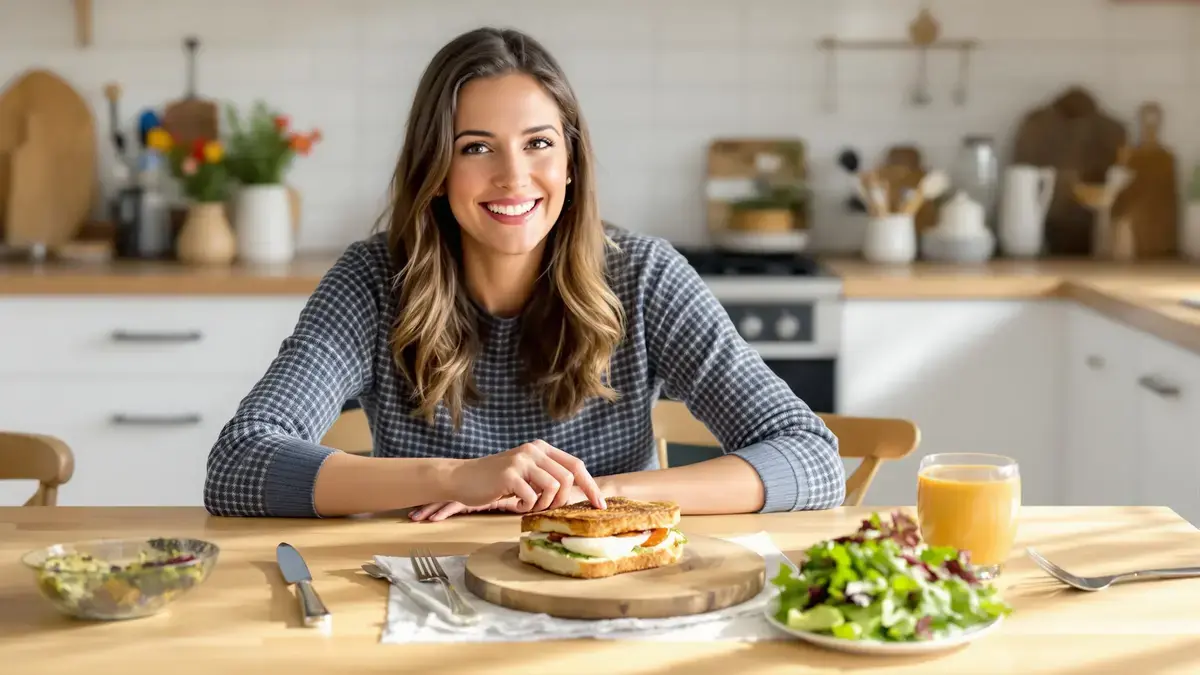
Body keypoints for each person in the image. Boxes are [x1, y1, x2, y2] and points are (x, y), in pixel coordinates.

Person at [203, 27, 844, 521]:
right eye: (476, 148)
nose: (513, 177)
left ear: (570, 161)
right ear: (436, 170)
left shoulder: (645, 276)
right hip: (426, 590)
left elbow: (812, 457)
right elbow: (238, 463)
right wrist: (457, 478)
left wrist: (594, 495)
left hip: (611, 593)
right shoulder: (372, 282)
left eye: (538, 143)